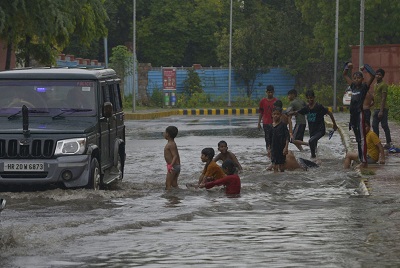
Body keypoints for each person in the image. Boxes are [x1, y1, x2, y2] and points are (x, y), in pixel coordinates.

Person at [343, 62, 375, 168]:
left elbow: (373, 75)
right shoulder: (353, 87)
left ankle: (364, 162)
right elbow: (344, 75)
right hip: (353, 116)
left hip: (360, 114)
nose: (356, 80)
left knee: (362, 139)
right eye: (355, 78)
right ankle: (362, 158)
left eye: (359, 78)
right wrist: (347, 66)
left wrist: (365, 67)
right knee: (357, 139)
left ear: (362, 79)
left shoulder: (364, 87)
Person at [293, 90, 338, 159]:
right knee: (313, 147)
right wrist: (288, 114)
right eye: (308, 98)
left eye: (311, 98)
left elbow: (330, 113)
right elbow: (298, 112)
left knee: (311, 141)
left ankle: (313, 158)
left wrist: (334, 124)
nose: (309, 100)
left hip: (320, 130)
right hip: (312, 131)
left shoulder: (319, 107)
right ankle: (317, 160)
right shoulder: (307, 108)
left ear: (314, 97)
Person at [372, 68, 392, 149]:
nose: (377, 76)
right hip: (375, 108)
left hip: (383, 109)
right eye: (377, 74)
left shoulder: (384, 85)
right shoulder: (375, 84)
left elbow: (383, 98)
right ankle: (377, 142)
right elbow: (375, 96)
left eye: (379, 75)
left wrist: (381, 111)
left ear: (382, 76)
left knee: (384, 125)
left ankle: (388, 142)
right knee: (374, 125)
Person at [257, 85, 278, 159]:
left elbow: (279, 113)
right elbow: (260, 112)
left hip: (274, 123)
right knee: (267, 138)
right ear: (266, 92)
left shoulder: (276, 101)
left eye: (271, 92)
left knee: (274, 138)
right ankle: (269, 152)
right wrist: (259, 123)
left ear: (273, 92)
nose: (270, 94)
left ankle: (273, 151)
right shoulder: (263, 101)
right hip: (266, 123)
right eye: (268, 92)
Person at [268, 106, 290, 172]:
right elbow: (269, 139)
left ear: (280, 115)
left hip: (281, 148)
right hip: (274, 149)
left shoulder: (283, 125)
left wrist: (286, 147)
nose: (276, 116)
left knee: (281, 166)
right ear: (272, 115)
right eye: (274, 114)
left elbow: (287, 137)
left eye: (277, 114)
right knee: (274, 166)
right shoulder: (270, 126)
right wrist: (269, 150)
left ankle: (282, 180)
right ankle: (276, 180)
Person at [163, 126, 181, 190]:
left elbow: (175, 156)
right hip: (175, 166)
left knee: (168, 184)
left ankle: (169, 197)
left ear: (167, 134)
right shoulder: (172, 143)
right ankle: (177, 196)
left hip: (173, 166)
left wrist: (171, 165)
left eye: (165, 132)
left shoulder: (171, 144)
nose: (164, 133)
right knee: (174, 184)